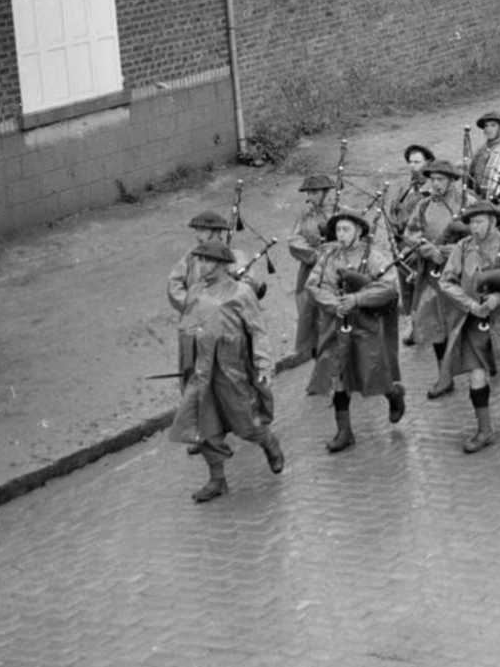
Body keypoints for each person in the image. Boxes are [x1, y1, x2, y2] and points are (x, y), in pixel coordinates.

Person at [167, 237, 280, 504]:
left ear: (220, 263)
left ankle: (268, 443)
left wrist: (264, 364)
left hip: (231, 367)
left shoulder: (241, 292)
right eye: (199, 259)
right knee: (201, 423)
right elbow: (187, 325)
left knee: (244, 422)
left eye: (206, 260)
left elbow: (258, 330)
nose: (201, 265)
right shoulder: (195, 290)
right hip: (202, 369)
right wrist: (188, 359)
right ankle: (217, 480)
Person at [438, 199, 500, 453]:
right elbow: (446, 281)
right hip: (473, 320)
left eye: (480, 221)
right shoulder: (463, 247)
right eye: (471, 222)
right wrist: (469, 304)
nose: (474, 227)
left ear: (493, 221)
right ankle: (485, 430)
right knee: (476, 373)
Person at [305, 207, 405, 454]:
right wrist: (333, 303)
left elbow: (390, 287)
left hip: (366, 325)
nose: (341, 234)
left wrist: (358, 300)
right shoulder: (328, 257)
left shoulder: (374, 256)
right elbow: (313, 286)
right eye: (338, 229)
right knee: (339, 375)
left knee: (373, 373)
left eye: (346, 229)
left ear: (359, 230)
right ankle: (344, 431)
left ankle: (393, 394)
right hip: (336, 325)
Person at [404, 158, 463, 397]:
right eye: (433, 179)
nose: (436, 184)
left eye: (441, 179)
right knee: (437, 325)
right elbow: (411, 233)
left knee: (468, 322)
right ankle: (444, 377)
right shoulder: (423, 206)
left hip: (462, 273)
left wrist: (455, 251)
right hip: (432, 273)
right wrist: (430, 250)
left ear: (450, 180)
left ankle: (485, 364)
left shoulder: (467, 202)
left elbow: (484, 231)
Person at [280, 173, 336, 372]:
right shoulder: (304, 215)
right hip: (310, 269)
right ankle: (318, 362)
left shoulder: (339, 212)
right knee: (309, 314)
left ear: (326, 193)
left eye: (315, 192)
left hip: (335, 271)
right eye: (309, 193)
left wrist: (332, 250)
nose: (311, 197)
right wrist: (313, 255)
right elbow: (294, 240)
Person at [391, 144, 434, 344]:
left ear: (427, 163)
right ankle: (411, 322)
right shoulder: (404, 187)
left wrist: (416, 242)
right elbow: (394, 210)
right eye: (410, 162)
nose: (413, 166)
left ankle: (422, 325)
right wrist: (394, 232)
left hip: (419, 244)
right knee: (405, 285)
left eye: (417, 162)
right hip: (400, 243)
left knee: (421, 285)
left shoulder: (432, 187)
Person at [465, 111, 500, 197]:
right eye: (486, 126)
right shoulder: (481, 149)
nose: (489, 129)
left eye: (493, 125)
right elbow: (471, 173)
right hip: (478, 195)